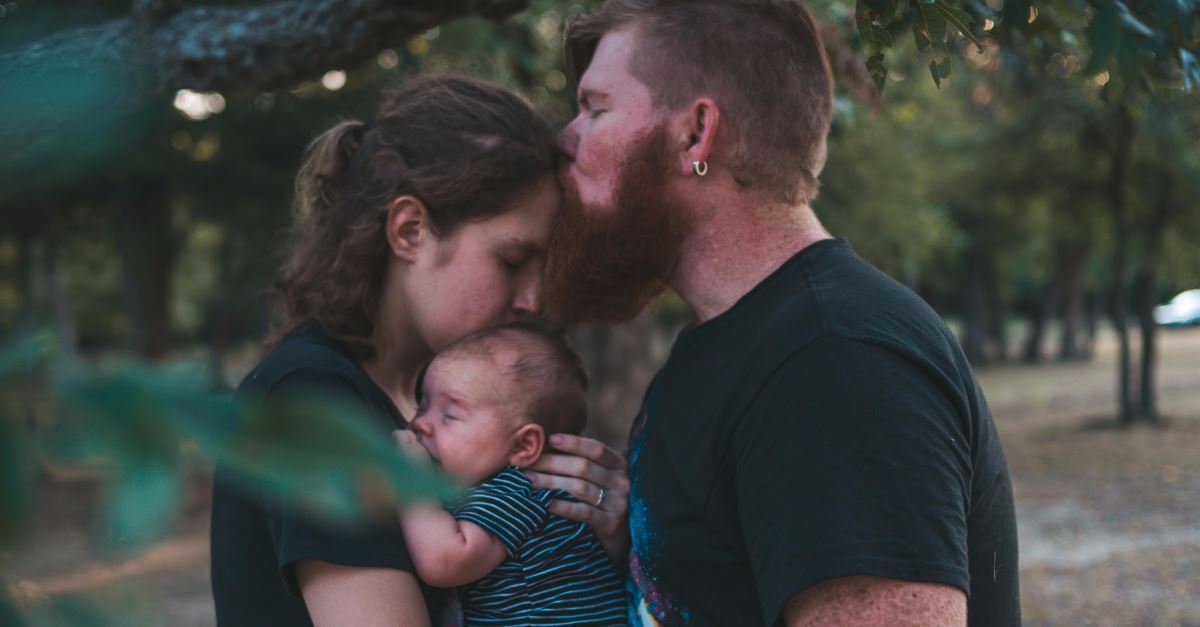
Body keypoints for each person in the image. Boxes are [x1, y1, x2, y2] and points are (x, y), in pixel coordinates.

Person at [536, 1, 1022, 625]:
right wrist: (635, 549)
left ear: (695, 133)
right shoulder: (728, 342)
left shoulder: (833, 361)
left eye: (595, 107)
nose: (567, 136)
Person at [209, 74, 587, 626]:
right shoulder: (312, 401)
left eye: (541, 268)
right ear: (409, 230)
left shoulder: (431, 411)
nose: (533, 298)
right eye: (511, 260)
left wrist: (599, 525)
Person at [393, 320, 626, 625]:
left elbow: (444, 561)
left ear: (523, 446)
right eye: (422, 406)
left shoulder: (521, 487)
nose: (421, 423)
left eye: (450, 415)